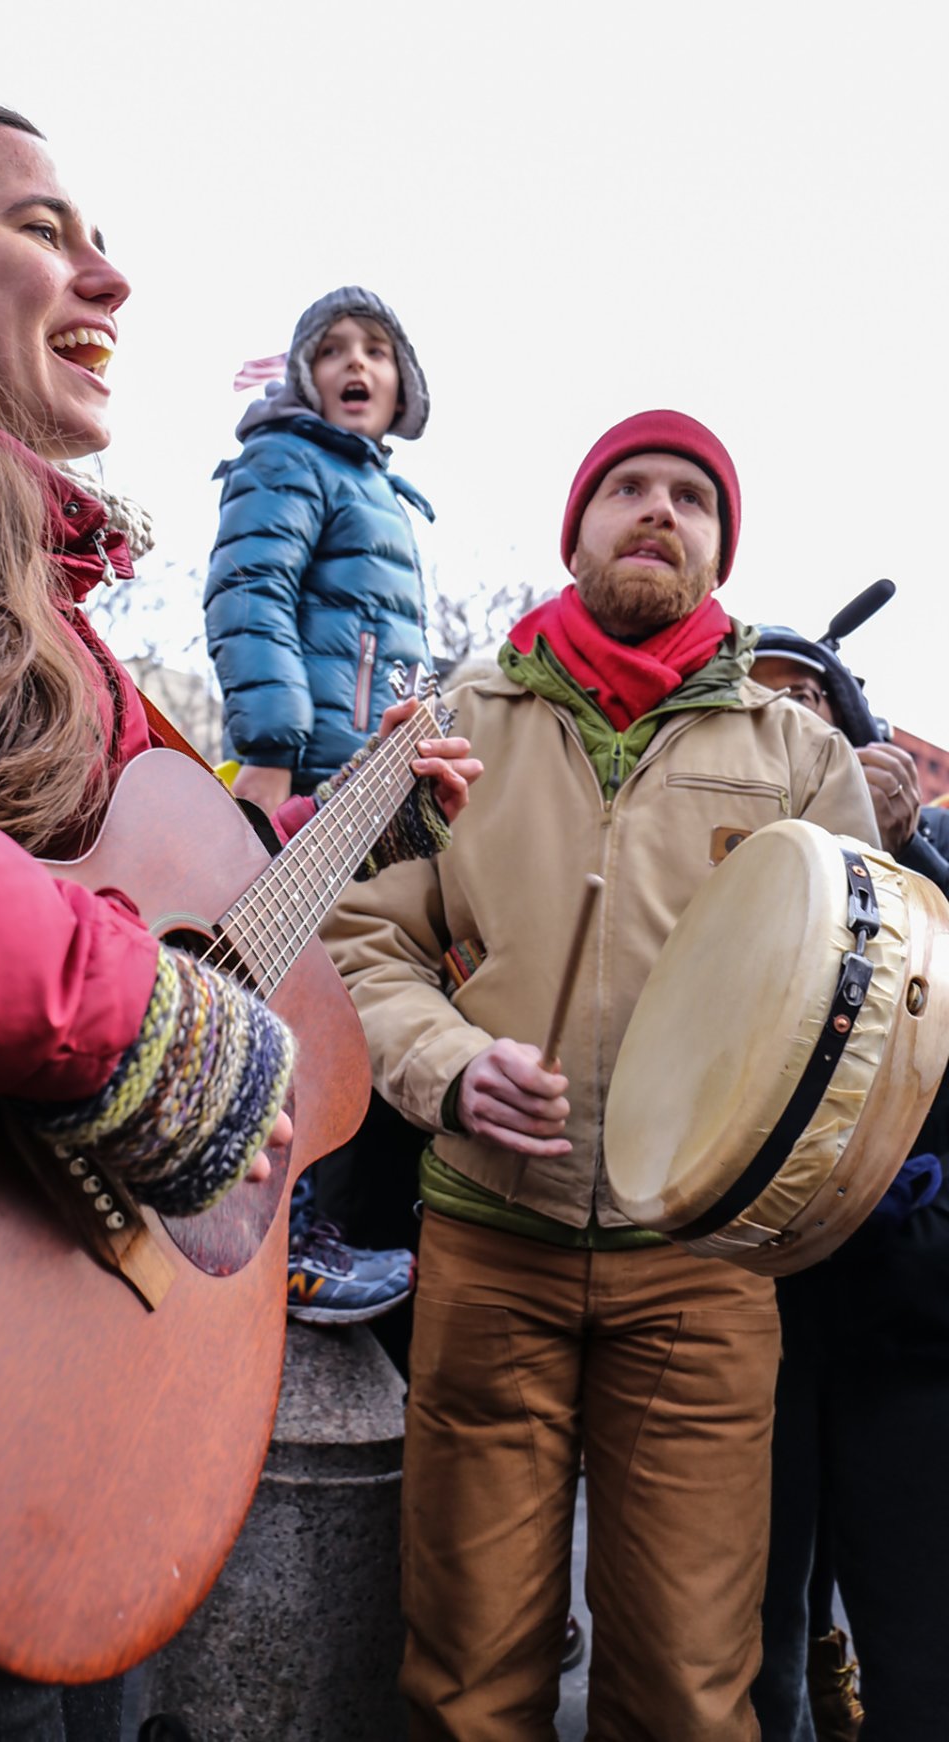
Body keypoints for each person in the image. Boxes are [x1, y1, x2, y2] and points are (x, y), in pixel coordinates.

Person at [0, 100, 477, 1742]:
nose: (112, 276)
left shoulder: (54, 622)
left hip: (51, 1450)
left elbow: (216, 895)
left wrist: (374, 811)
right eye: (41, 226)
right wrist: (120, 1019)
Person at [323, 410, 879, 1741]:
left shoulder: (804, 759)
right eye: (625, 486)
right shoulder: (452, 724)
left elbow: (869, 1015)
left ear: (719, 548)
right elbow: (359, 937)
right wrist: (452, 1070)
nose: (656, 509)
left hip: (704, 1269)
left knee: (690, 1687)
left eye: (691, 494)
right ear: (575, 530)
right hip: (486, 1248)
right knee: (467, 1678)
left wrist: (766, 1177)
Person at [204, 286, 436, 1324]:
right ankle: (286, 1237)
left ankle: (312, 1217)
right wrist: (269, 747)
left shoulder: (388, 498)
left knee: (336, 991)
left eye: (376, 350)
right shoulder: (289, 460)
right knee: (281, 991)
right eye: (332, 349)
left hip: (365, 781)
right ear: (303, 378)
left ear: (402, 383)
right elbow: (251, 587)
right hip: (307, 775)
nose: (356, 363)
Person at [749, 627, 949, 1742]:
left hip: (909, 1314)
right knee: (756, 1625)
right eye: (774, 703)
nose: (803, 723)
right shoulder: (737, 858)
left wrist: (909, 848)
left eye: (819, 703)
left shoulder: (926, 847)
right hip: (758, 1311)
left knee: (920, 1639)